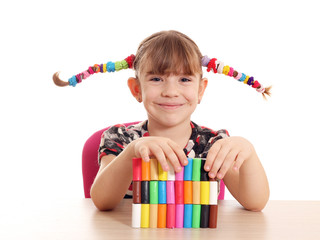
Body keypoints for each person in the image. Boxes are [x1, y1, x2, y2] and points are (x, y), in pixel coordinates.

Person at [53, 30, 270, 212]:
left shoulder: (213, 143)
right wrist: (132, 152)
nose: (171, 91)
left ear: (200, 90)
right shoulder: (120, 138)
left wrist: (248, 151)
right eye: (156, 79)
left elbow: (255, 203)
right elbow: (102, 201)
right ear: (137, 89)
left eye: (184, 79)